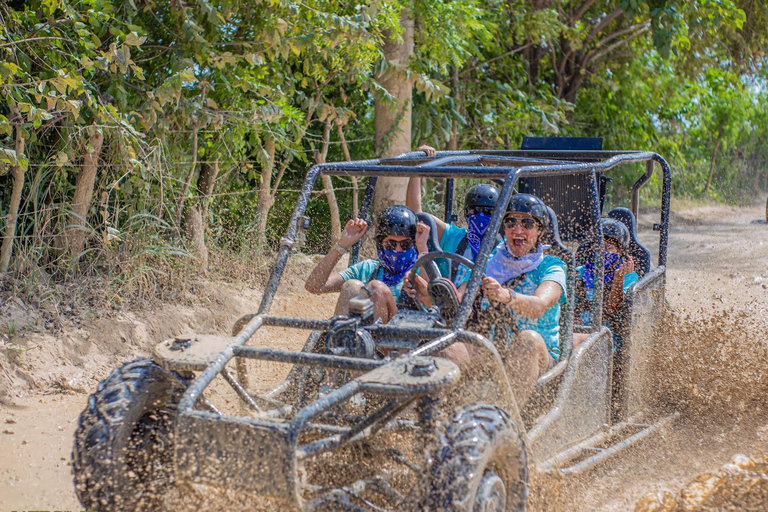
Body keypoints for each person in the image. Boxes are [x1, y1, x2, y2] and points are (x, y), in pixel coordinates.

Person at [461, 193, 567, 406]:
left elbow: (539, 306)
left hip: (539, 358)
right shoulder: (487, 262)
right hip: (492, 352)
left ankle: (506, 422)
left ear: (540, 232)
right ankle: (431, 423)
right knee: (451, 346)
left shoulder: (552, 266)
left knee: (528, 340)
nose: (518, 230)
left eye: (527, 223)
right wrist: (426, 292)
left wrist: (506, 296)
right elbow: (460, 300)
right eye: (511, 222)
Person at [305, 205, 429, 324]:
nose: (398, 250)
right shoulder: (367, 269)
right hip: (359, 340)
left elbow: (433, 304)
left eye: (405, 244)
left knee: (377, 288)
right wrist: (343, 244)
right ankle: (342, 340)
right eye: (391, 244)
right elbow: (314, 286)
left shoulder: (420, 271)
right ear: (380, 244)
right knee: (352, 286)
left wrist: (423, 249)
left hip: (404, 340)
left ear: (413, 244)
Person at [406, 176, 501, 285]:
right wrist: (417, 172)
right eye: (474, 210)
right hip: (447, 299)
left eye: (488, 211)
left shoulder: (504, 248)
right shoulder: (455, 236)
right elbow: (416, 215)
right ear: (466, 213)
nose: (480, 215)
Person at [573, 218, 638, 350]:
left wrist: (618, 277)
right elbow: (566, 306)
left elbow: (612, 308)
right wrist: (571, 318)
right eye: (599, 246)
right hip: (578, 329)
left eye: (609, 248)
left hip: (607, 335)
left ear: (620, 252)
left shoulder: (629, 276)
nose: (603, 252)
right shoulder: (579, 273)